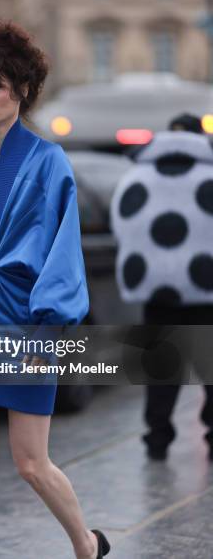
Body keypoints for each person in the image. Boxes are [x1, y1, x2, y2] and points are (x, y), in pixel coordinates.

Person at [0, 21, 111, 559]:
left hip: (24, 326)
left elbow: (63, 249)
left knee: (30, 463)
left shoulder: (50, 162)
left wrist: (49, 327)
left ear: (23, 91)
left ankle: (84, 543)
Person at [111, 113, 213, 461]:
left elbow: (123, 228)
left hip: (156, 292)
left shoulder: (136, 175)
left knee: (161, 367)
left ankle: (157, 437)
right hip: (206, 291)